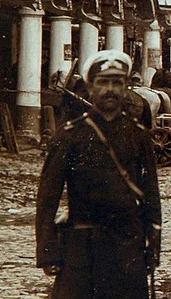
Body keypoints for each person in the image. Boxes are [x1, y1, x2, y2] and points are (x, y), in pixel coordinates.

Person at [35, 49, 162, 299]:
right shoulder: (70, 136)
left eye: (117, 83)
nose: (110, 89)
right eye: (103, 82)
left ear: (126, 88)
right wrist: (48, 250)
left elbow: (151, 194)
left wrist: (153, 243)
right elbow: (48, 197)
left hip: (128, 249)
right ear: (91, 89)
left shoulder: (138, 136)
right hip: (82, 251)